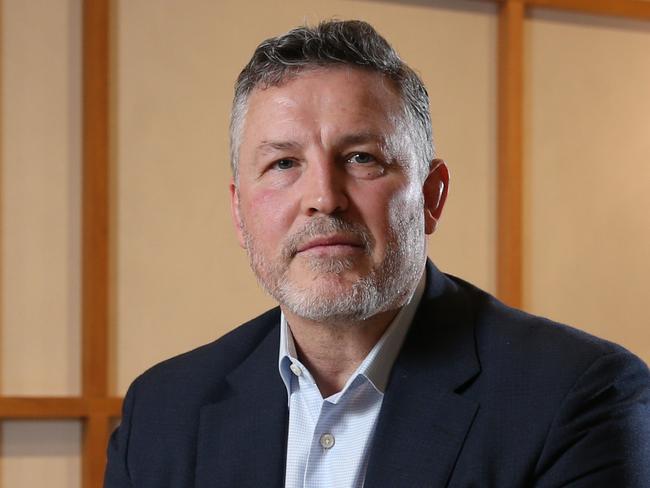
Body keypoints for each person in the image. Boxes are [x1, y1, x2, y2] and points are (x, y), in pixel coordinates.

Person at [104, 20, 650, 488]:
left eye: (362, 158)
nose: (322, 198)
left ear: (431, 197)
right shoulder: (161, 414)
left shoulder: (577, 397)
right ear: (240, 214)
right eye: (283, 164)